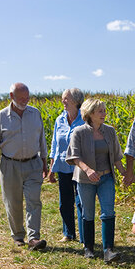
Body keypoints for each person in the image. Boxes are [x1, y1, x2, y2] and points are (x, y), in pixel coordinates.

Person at [0, 82, 48, 250]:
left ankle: (34, 238)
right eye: (21, 98)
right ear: (11, 96)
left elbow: (41, 138)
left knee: (34, 201)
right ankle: (18, 235)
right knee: (13, 202)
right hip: (9, 165)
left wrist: (44, 161)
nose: (25, 101)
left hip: (33, 163)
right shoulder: (1, 117)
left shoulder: (35, 114)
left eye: (27, 98)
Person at [66, 98, 125, 261]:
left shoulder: (110, 131)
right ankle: (89, 248)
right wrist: (88, 169)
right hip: (85, 179)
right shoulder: (79, 132)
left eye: (104, 111)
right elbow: (74, 157)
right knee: (88, 213)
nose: (104, 114)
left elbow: (116, 156)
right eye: (100, 111)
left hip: (106, 177)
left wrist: (124, 173)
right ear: (90, 113)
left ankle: (108, 250)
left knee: (108, 212)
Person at [47, 88, 85, 243]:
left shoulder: (85, 119)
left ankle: (84, 236)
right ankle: (68, 233)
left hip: (80, 167)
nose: (63, 101)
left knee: (81, 201)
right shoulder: (59, 120)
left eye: (66, 99)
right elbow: (55, 145)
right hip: (63, 166)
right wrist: (51, 169)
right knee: (65, 203)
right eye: (63, 98)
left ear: (76, 101)